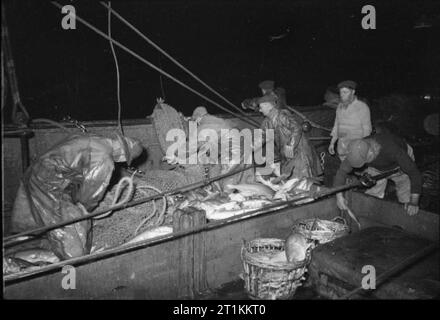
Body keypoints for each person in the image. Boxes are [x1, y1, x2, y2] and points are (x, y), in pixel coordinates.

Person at [11, 132, 143, 259]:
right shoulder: (105, 160)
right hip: (51, 185)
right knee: (73, 246)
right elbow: (90, 195)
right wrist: (81, 211)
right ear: (124, 156)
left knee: (29, 227)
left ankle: (15, 250)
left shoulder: (93, 138)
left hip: (34, 172)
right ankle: (71, 267)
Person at [333, 132, 422, 216]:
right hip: (377, 167)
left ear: (371, 153)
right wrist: (339, 196)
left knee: (407, 202)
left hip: (399, 166)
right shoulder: (357, 150)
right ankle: (371, 214)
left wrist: (414, 202)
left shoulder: (392, 149)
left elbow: (414, 173)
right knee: (372, 197)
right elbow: (342, 172)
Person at [257, 94, 322, 180]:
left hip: (299, 151)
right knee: (291, 179)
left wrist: (290, 147)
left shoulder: (282, 115)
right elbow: (262, 135)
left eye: (261, 107)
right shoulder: (267, 122)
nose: (260, 110)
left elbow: (297, 129)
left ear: (268, 106)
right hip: (288, 154)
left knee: (302, 179)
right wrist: (251, 146)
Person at [329, 80, 372, 160]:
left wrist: (361, 147)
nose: (342, 95)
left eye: (345, 92)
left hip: (356, 147)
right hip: (342, 147)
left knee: (358, 169)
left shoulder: (362, 107)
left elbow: (367, 130)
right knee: (345, 169)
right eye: (341, 92)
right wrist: (332, 143)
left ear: (353, 92)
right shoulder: (340, 107)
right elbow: (336, 126)